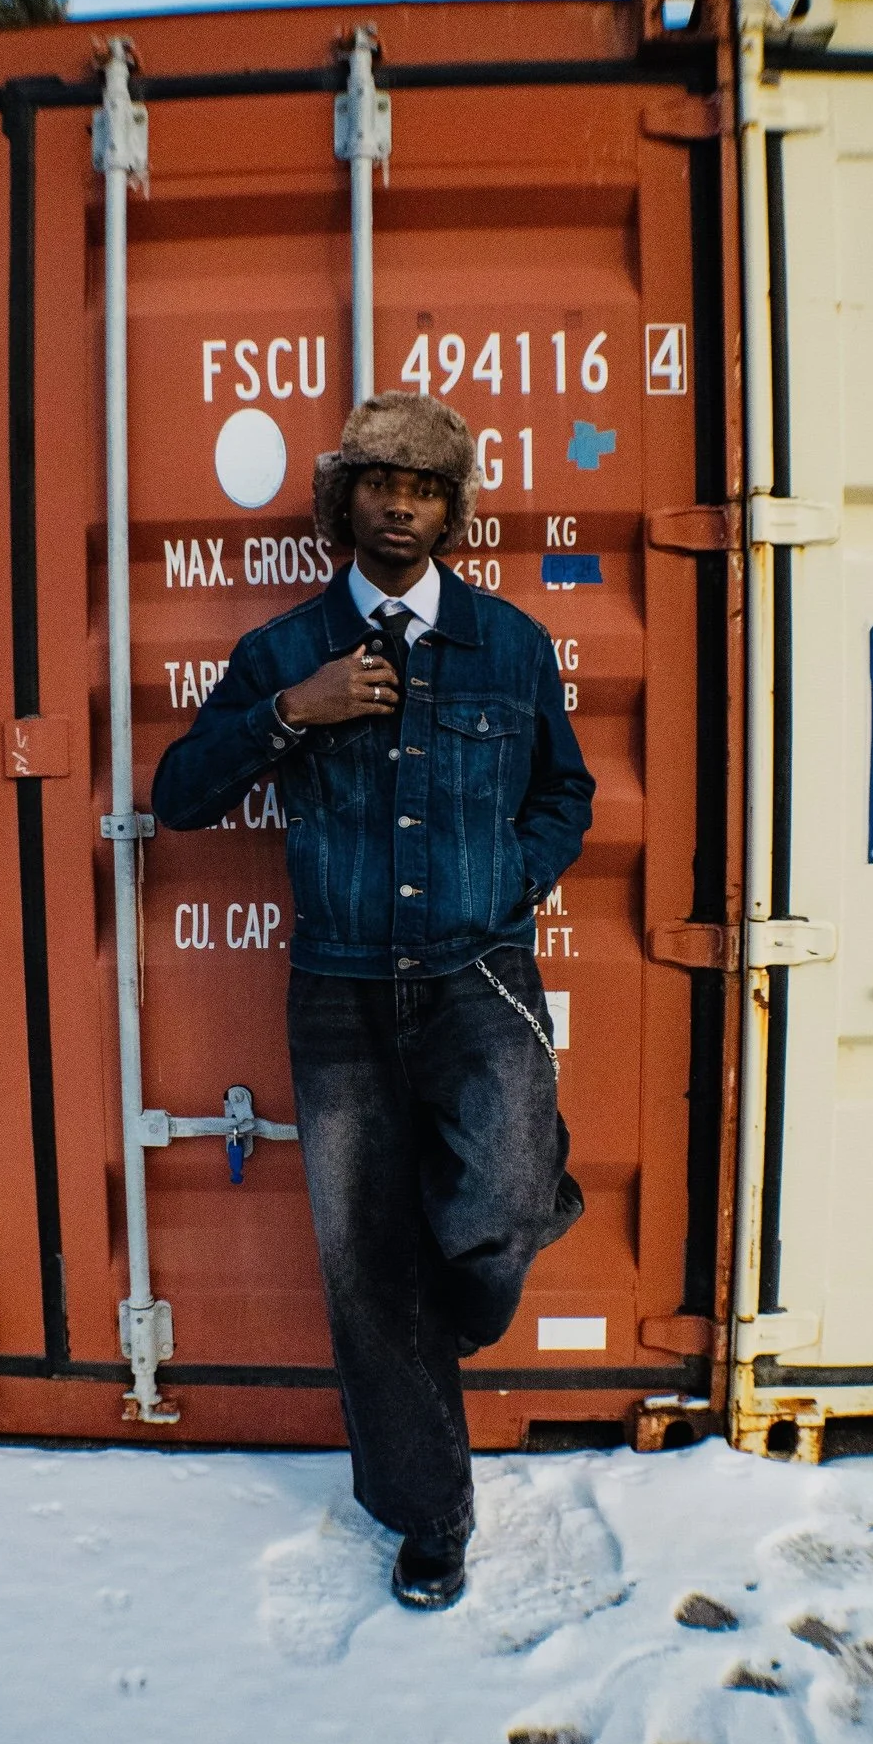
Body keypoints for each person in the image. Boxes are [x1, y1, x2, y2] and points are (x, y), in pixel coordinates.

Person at [151, 392, 593, 1610]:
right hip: (339, 990)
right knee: (366, 1263)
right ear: (341, 501)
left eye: (425, 485)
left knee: (502, 1204)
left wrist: (509, 874)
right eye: (378, 482)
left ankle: (471, 1279)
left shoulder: (508, 643)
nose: (400, 502)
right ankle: (430, 1513)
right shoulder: (285, 650)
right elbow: (178, 793)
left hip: (480, 969)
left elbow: (567, 791)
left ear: (452, 510)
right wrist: (299, 711)